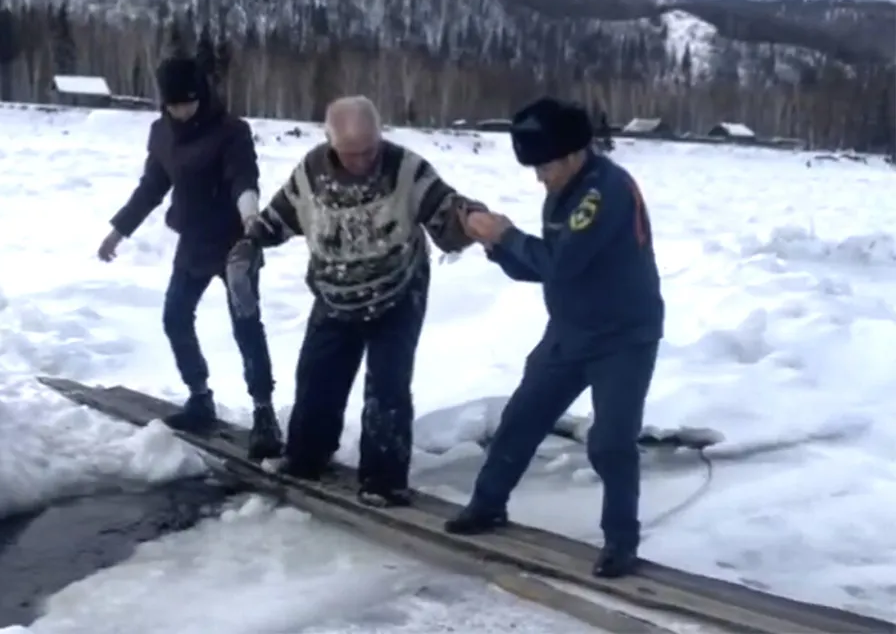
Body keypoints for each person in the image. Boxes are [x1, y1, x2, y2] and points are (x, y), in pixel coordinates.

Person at [445, 96, 665, 579]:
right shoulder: (565, 189)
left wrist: (504, 235)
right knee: (521, 418)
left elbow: (561, 264)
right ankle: (487, 506)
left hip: (624, 338)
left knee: (610, 442)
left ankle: (620, 542)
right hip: (570, 331)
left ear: (571, 154)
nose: (539, 177)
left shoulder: (602, 194)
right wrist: (495, 245)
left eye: (543, 166)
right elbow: (547, 266)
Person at [226, 95, 483, 508]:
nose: (363, 161)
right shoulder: (311, 174)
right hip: (334, 292)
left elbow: (445, 212)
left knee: (387, 387)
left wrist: (472, 221)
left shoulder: (405, 169)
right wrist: (250, 243)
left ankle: (384, 480)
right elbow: (278, 217)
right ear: (332, 145)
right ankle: (307, 457)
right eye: (351, 154)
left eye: (369, 150)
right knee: (316, 378)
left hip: (398, 291)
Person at [98, 54, 282, 460]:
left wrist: (251, 217)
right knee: (175, 317)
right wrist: (118, 230)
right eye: (173, 104)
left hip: (236, 245)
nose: (181, 111)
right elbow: (152, 187)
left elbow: (243, 178)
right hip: (193, 242)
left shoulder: (232, 131)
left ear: (202, 95)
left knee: (246, 327)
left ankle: (265, 414)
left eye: (187, 102)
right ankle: (200, 397)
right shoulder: (162, 133)